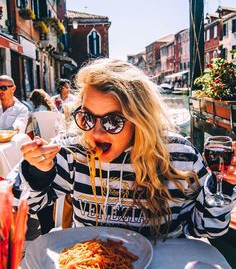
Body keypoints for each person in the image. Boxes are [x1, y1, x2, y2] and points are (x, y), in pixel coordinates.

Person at [10, 58, 236, 240]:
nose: (95, 133)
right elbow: (22, 205)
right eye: (87, 117)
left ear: (140, 120)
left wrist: (223, 186)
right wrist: (37, 172)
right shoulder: (72, 151)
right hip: (91, 261)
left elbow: (207, 229)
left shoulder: (178, 155)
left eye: (113, 121)